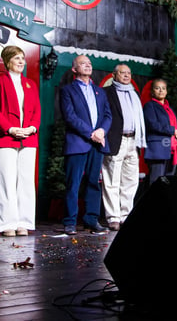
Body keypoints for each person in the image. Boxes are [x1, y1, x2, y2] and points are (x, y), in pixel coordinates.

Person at [0, 46, 41, 237]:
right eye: (17, 58)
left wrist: (32, 128)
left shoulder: (31, 84)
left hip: (29, 138)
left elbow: (37, 111)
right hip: (5, 138)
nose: (21, 62)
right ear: (7, 61)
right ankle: (6, 224)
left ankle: (24, 222)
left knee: (26, 182)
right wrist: (10, 129)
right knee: (7, 181)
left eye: (22, 58)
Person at [59, 55, 112, 235]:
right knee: (73, 184)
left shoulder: (100, 91)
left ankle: (91, 220)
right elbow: (69, 116)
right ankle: (70, 222)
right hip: (78, 143)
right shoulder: (68, 90)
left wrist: (102, 132)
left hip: (97, 144)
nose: (88, 66)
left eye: (89, 63)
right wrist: (91, 133)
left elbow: (107, 115)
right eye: (83, 63)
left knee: (93, 183)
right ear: (74, 69)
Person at [101, 64, 146, 231]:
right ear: (114, 75)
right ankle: (113, 217)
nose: (127, 76)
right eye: (122, 73)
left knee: (130, 181)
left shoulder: (134, 94)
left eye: (129, 73)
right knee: (112, 180)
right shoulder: (107, 93)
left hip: (133, 140)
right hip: (115, 140)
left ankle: (126, 215)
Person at [143, 78, 177, 187]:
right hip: (157, 150)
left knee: (167, 183)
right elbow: (153, 124)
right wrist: (173, 131)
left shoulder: (169, 108)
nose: (161, 91)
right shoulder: (149, 106)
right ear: (152, 91)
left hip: (171, 149)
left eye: (163, 88)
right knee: (155, 182)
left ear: (166, 91)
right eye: (157, 88)